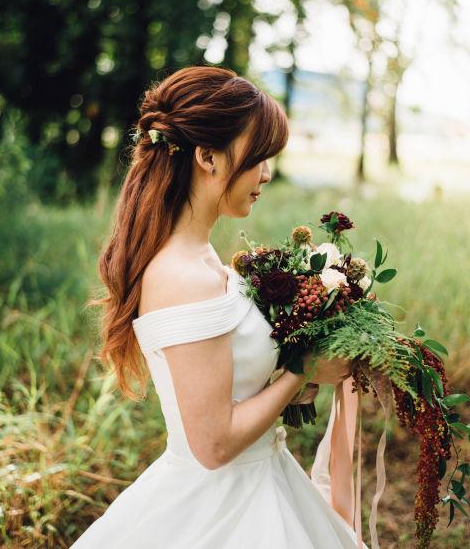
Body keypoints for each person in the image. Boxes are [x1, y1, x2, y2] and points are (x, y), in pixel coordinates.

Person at [71, 65, 368, 548]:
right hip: (221, 508)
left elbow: (233, 386)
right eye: (258, 157)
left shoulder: (205, 257)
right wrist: (302, 367)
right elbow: (213, 445)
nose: (267, 174)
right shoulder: (180, 276)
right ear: (207, 156)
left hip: (265, 479)